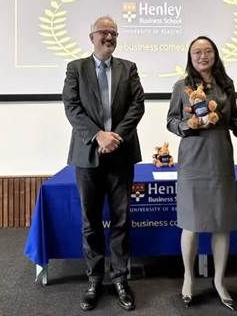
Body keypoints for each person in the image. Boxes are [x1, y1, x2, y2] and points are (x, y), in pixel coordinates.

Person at [166, 35, 237, 311]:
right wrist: (188, 125)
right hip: (193, 159)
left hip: (220, 158)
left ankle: (219, 281)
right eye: (197, 52)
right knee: (191, 223)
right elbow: (171, 121)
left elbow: (234, 122)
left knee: (221, 222)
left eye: (207, 51)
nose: (202, 56)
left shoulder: (226, 85)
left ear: (215, 55)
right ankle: (188, 277)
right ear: (190, 57)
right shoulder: (181, 86)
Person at [62, 16, 145, 312]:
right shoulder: (76, 68)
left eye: (113, 34)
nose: (109, 38)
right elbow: (72, 107)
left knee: (121, 220)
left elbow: (138, 105)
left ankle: (120, 279)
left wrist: (115, 137)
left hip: (121, 154)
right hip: (87, 155)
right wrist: (98, 135)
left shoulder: (128, 68)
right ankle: (94, 279)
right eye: (103, 33)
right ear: (92, 37)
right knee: (91, 221)